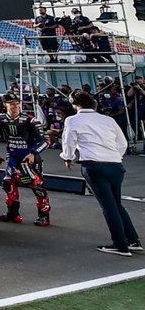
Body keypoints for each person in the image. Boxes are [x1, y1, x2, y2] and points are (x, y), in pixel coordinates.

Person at [60, 91, 141, 256]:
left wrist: (68, 157)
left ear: (75, 104)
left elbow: (68, 141)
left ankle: (120, 244)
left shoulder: (72, 120)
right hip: (115, 165)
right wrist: (115, 156)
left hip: (94, 165)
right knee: (116, 203)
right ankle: (133, 240)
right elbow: (122, 143)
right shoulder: (108, 120)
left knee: (108, 206)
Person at [0, 98, 51, 226]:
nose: (15, 106)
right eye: (12, 104)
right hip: (12, 156)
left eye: (17, 103)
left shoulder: (30, 120)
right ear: (5, 104)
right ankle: (13, 214)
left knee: (37, 185)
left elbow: (45, 140)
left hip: (28, 157)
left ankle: (44, 216)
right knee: (8, 183)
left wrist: (33, 153)